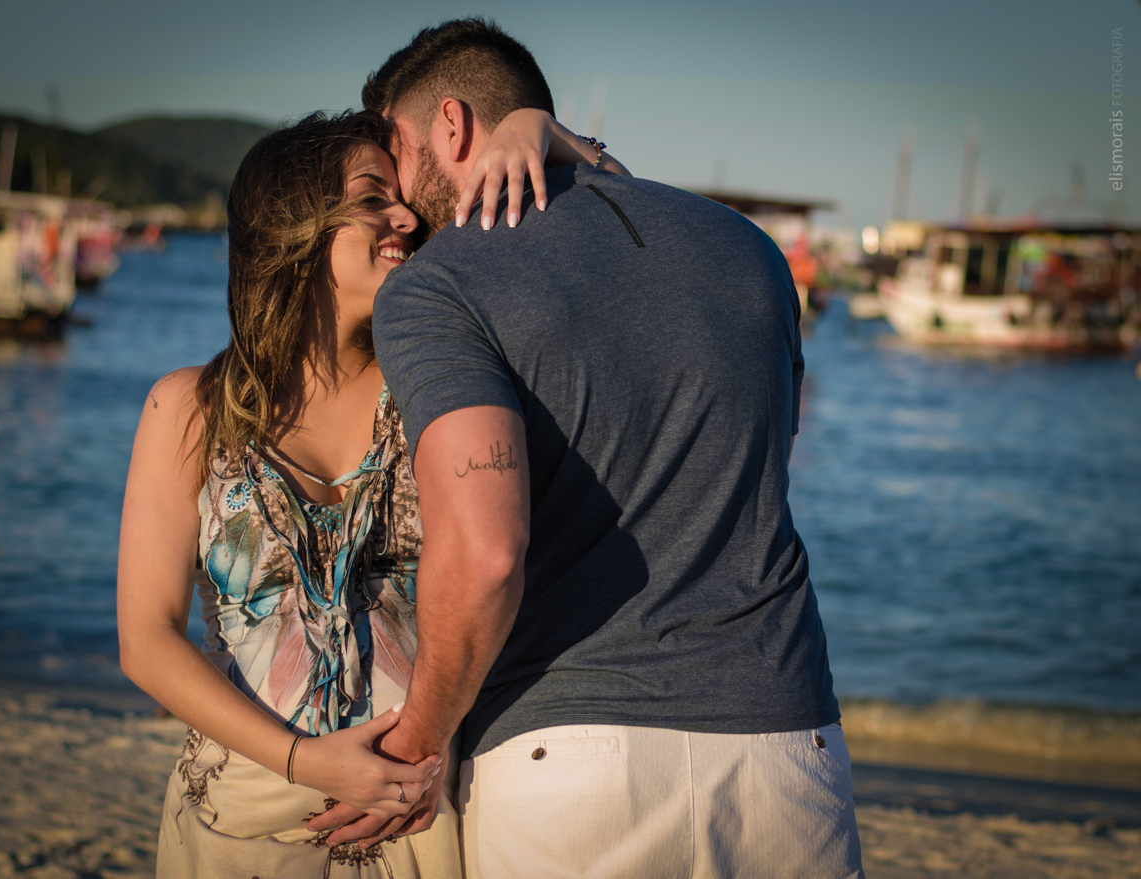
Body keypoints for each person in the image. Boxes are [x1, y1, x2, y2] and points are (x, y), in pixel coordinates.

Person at [307, 18, 866, 879]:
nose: (400, 204)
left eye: (394, 148)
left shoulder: (438, 283)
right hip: (788, 741)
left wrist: (417, 745)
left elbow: (487, 552)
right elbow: (759, 463)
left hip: (568, 756)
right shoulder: (751, 253)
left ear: (450, 126)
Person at [116, 106, 614, 877]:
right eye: (373, 196)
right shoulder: (186, 409)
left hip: (413, 818)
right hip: (237, 823)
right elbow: (146, 639)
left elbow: (610, 236)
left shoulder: (440, 399)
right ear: (297, 222)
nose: (406, 217)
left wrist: (533, 127)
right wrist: (303, 759)